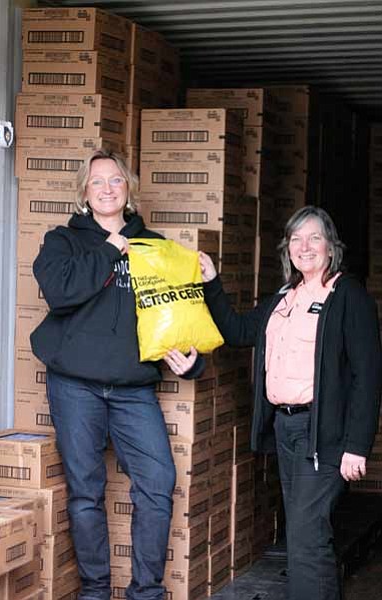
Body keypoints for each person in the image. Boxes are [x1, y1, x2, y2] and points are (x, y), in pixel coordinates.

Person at [30, 148, 204, 600]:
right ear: (84, 194)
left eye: (116, 181)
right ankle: (94, 590)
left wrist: (194, 359)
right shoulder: (62, 242)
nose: (107, 188)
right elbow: (61, 293)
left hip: (133, 390)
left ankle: (145, 592)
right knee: (86, 491)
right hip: (75, 386)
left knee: (158, 483)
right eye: (97, 182)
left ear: (129, 189)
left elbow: (178, 314)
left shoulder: (156, 246)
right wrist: (110, 250)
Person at [199, 205, 381, 600]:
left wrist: (356, 446)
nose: (305, 245)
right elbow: (239, 330)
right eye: (296, 238)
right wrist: (212, 283)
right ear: (288, 250)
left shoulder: (348, 295)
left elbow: (367, 375)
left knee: (307, 537)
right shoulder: (284, 297)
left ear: (331, 247)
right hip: (286, 428)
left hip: (325, 432)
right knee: (304, 534)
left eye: (315, 236)